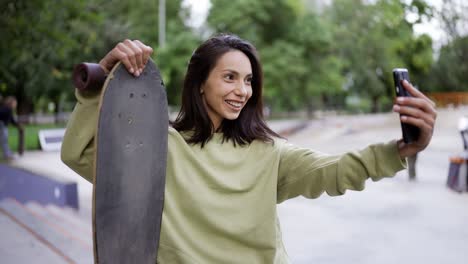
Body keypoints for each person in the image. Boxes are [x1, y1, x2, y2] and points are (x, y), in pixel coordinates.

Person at [61, 34, 437, 263]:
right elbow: (79, 154)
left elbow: (334, 170)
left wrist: (401, 148)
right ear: (200, 84)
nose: (243, 91)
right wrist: (99, 88)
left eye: (249, 80)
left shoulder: (269, 153)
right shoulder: (161, 148)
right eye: (229, 77)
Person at [0, 96, 20, 160]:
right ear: (11, 103)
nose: (15, 105)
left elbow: (11, 120)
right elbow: (11, 119)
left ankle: (8, 153)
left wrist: (17, 125)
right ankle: (7, 155)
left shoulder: (8, 109)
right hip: (2, 126)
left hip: (4, 126)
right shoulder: (7, 109)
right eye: (15, 103)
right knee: (4, 140)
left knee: (4, 140)